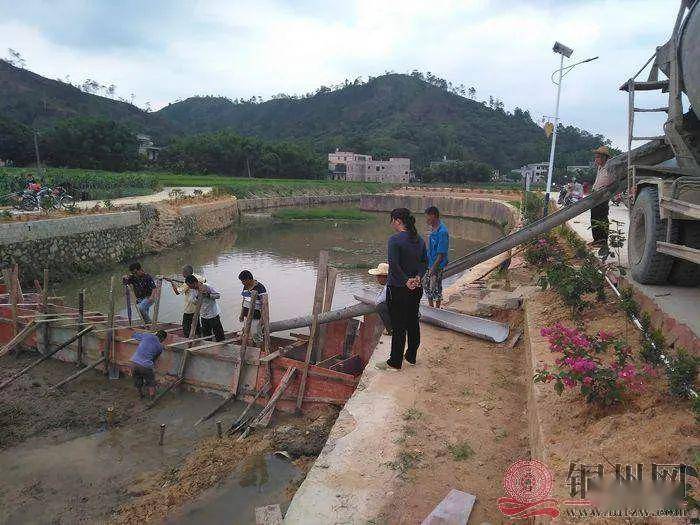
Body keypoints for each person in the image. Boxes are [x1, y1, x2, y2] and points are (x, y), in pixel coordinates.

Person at [377, 208, 427, 371]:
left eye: (392, 220)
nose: (391, 224)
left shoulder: (395, 240)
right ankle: (411, 356)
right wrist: (418, 277)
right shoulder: (418, 240)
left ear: (397, 221)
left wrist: (406, 281)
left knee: (398, 326)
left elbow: (394, 265)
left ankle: (395, 362)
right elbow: (424, 263)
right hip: (416, 287)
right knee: (413, 322)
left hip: (399, 288)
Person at [185, 274, 225, 342]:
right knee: (206, 334)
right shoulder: (193, 290)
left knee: (219, 333)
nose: (190, 287)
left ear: (195, 282)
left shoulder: (207, 286)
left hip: (213, 314)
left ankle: (222, 346)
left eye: (190, 285)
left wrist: (208, 295)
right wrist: (198, 297)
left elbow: (218, 295)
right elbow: (193, 301)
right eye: (189, 286)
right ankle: (208, 346)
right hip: (203, 315)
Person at [590, 145, 614, 257]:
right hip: (596, 195)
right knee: (594, 217)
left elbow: (610, 182)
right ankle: (597, 240)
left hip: (603, 196)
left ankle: (603, 241)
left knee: (602, 218)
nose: (596, 159)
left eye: (598, 157)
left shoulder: (609, 168)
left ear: (604, 158)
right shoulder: (600, 168)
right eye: (596, 157)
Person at [423, 206, 449, 308]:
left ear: (433, 216)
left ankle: (437, 308)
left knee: (436, 286)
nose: (427, 220)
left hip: (437, 265)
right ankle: (431, 306)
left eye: (428, 218)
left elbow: (441, 254)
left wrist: (434, 268)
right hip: (431, 263)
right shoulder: (434, 229)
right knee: (427, 285)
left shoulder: (442, 232)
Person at [130, 329, 167, 399]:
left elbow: (134, 335)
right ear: (162, 338)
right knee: (151, 382)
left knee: (137, 379)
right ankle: (152, 398)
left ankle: (140, 395)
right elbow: (153, 359)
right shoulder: (160, 347)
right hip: (146, 365)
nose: (163, 341)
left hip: (134, 362)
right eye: (163, 340)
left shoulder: (147, 335)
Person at [170, 265, 206, 337]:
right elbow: (204, 280)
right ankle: (198, 335)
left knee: (186, 325)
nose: (182, 273)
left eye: (183, 272)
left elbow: (177, 292)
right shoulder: (198, 277)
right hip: (198, 306)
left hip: (189, 308)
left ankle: (187, 338)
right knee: (196, 322)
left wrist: (172, 283)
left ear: (186, 273)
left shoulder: (187, 283)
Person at [238, 270, 267, 343]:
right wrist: (241, 314)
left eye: (243, 281)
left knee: (256, 335)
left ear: (249, 279)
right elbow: (244, 301)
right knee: (247, 334)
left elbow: (264, 305)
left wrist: (263, 319)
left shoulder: (260, 288)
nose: (242, 283)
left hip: (256, 316)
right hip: (246, 315)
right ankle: (251, 350)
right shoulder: (245, 287)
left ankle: (259, 350)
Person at [368, 262, 391, 334]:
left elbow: (378, 302)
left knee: (381, 306)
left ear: (385, 277)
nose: (377, 279)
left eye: (378, 276)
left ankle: (392, 330)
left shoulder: (390, 286)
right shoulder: (390, 284)